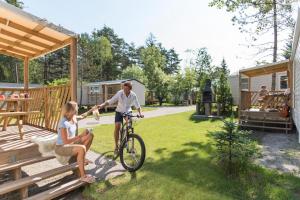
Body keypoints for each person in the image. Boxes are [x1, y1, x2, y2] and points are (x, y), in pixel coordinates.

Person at [55, 101, 97, 183]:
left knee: (90, 135)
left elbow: (83, 115)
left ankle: (82, 158)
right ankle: (83, 176)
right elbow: (66, 141)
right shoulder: (63, 123)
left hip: (71, 144)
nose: (77, 108)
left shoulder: (73, 118)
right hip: (61, 148)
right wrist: (81, 136)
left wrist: (92, 109)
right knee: (82, 148)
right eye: (75, 107)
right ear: (70, 110)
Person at [98, 81, 144, 155]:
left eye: (126, 89)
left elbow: (138, 106)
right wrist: (102, 105)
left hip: (128, 111)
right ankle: (116, 146)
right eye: (124, 88)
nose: (124, 90)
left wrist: (140, 113)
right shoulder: (120, 93)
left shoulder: (133, 95)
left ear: (130, 89)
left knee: (129, 125)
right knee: (117, 126)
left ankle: (129, 143)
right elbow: (110, 101)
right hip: (119, 111)